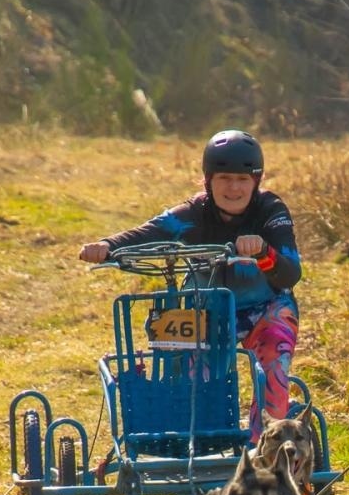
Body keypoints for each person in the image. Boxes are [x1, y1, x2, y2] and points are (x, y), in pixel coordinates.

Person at [81, 130, 302, 437]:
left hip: (268, 310)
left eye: (242, 179)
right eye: (224, 178)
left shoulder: (270, 211)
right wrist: (106, 245)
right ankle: (200, 447)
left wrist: (264, 252)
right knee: (191, 384)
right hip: (208, 311)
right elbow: (146, 233)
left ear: (256, 181)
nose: (233, 188)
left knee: (274, 375)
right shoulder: (192, 214)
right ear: (208, 180)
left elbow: (290, 273)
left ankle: (263, 452)